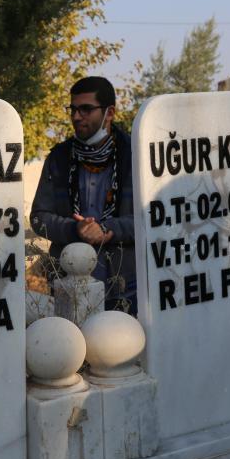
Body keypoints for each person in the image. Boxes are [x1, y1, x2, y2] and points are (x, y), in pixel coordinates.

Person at [30, 76, 136, 315]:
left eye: (86, 109)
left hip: (126, 285)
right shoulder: (58, 157)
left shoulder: (136, 155)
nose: (77, 116)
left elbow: (152, 218)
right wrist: (74, 230)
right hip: (68, 284)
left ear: (109, 113)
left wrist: (107, 230)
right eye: (73, 109)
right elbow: (38, 217)